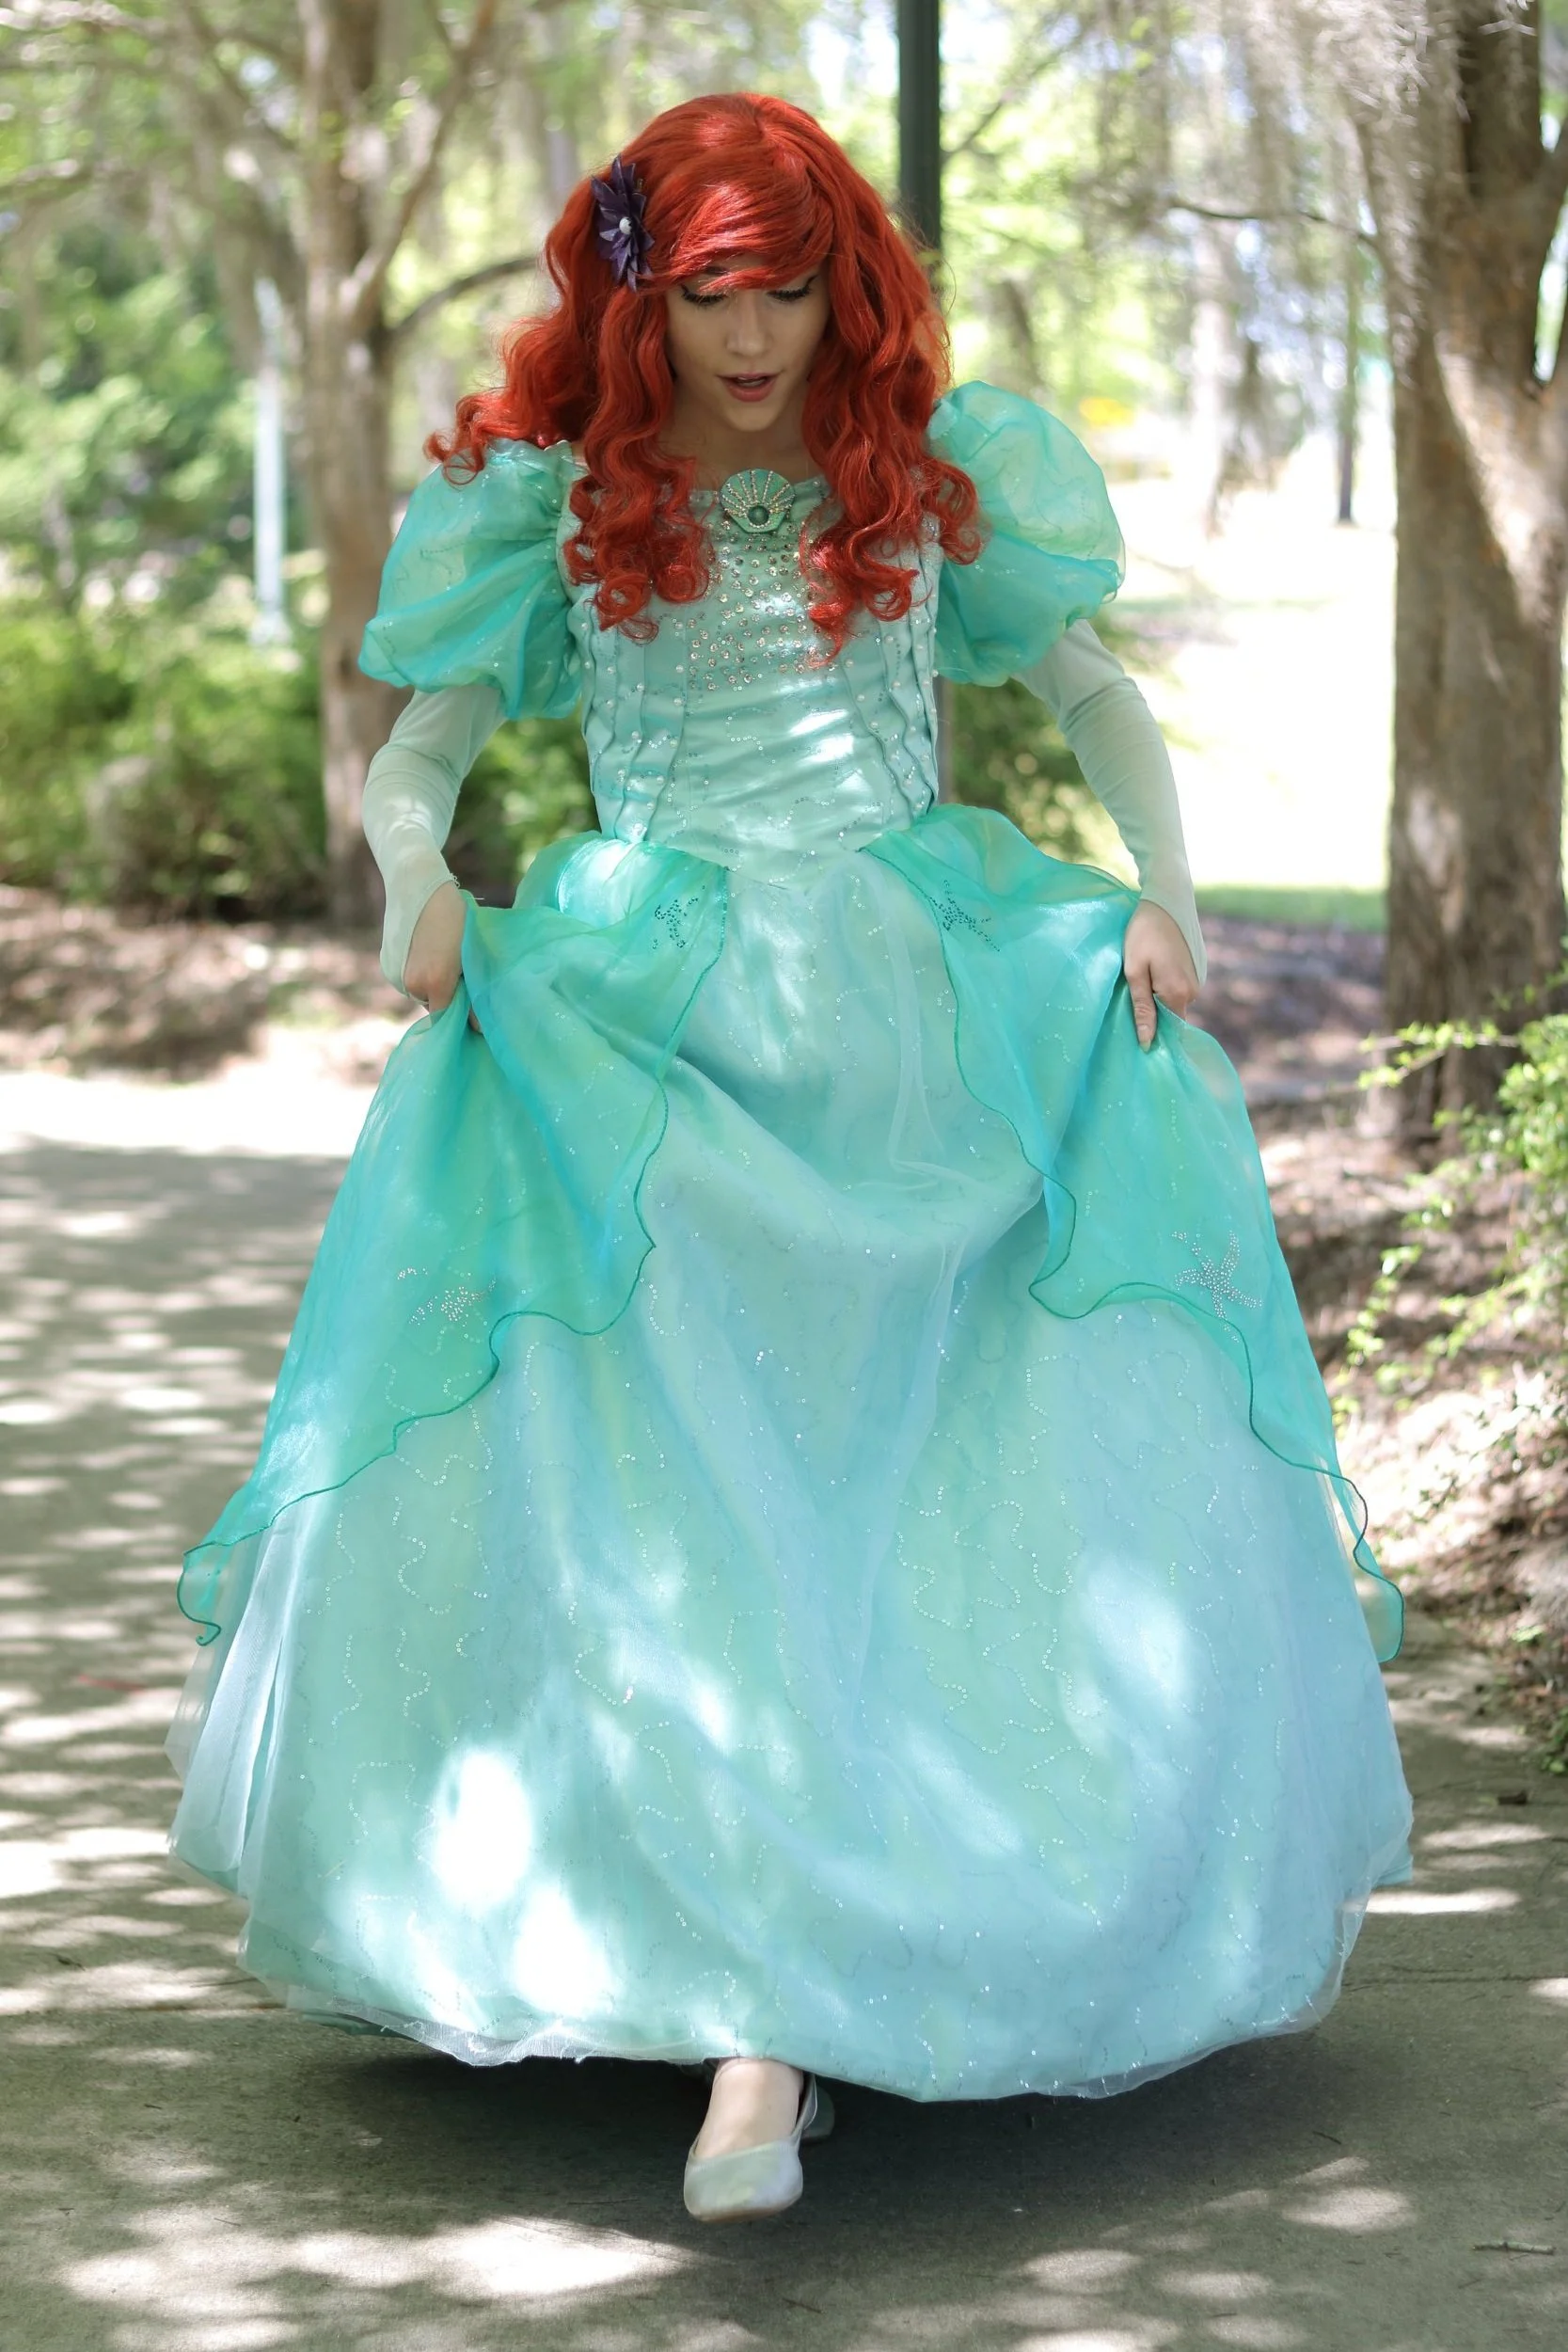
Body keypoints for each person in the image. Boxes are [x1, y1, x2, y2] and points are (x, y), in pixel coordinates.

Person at [166, 92, 1413, 2226]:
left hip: (911, 1003)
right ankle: (739, 1980)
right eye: (712, 293)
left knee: (912, 1463)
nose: (754, 338)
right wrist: (418, 880)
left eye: (789, 288)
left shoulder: (920, 478)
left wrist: (1164, 895)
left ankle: (868, 1934)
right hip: (649, 1016)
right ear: (648, 297)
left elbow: (1100, 699)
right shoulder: (559, 492)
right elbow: (423, 742)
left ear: (849, 282)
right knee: (677, 1474)